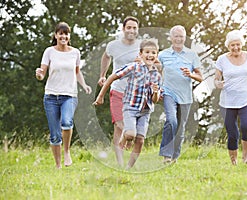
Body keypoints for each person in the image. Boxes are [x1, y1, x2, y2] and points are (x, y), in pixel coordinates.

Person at [93, 39, 161, 169]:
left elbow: (155, 99)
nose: (150, 55)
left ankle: (128, 168)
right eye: (147, 52)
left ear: (156, 56)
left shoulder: (156, 76)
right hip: (130, 108)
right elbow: (113, 76)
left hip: (145, 112)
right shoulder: (133, 68)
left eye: (153, 53)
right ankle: (124, 139)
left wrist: (156, 93)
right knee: (130, 134)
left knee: (140, 140)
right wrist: (101, 95)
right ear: (140, 54)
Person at [35, 22, 92, 169]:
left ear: (69, 36)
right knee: (55, 135)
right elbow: (42, 73)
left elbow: (77, 72)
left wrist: (84, 85)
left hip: (69, 95)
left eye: (66, 33)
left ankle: (67, 151)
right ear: (55, 35)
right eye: (61, 33)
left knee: (67, 123)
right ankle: (58, 165)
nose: (63, 36)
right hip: (51, 96)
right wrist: (39, 75)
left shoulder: (75, 53)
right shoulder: (49, 51)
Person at [98, 16, 141, 166]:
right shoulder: (113, 45)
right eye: (129, 27)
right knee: (119, 126)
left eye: (134, 28)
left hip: (135, 93)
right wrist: (102, 75)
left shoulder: (141, 46)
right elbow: (106, 57)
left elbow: (153, 62)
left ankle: (127, 154)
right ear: (123, 29)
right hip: (117, 90)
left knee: (129, 130)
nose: (131, 30)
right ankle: (120, 164)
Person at [214, 30, 247, 165]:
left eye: (238, 44)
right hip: (227, 102)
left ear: (242, 44)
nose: (235, 48)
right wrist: (218, 84)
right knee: (232, 133)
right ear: (228, 46)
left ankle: (245, 157)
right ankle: (233, 161)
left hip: (246, 100)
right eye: (232, 45)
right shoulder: (222, 59)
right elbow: (216, 79)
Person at [158, 25, 203, 164]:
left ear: (185, 38)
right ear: (171, 38)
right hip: (168, 92)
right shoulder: (163, 55)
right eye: (176, 36)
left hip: (185, 96)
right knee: (171, 121)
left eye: (181, 36)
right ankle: (166, 155)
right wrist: (158, 88)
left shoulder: (192, 55)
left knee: (180, 128)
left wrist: (191, 74)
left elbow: (200, 77)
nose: (178, 39)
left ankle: (174, 157)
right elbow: (156, 71)